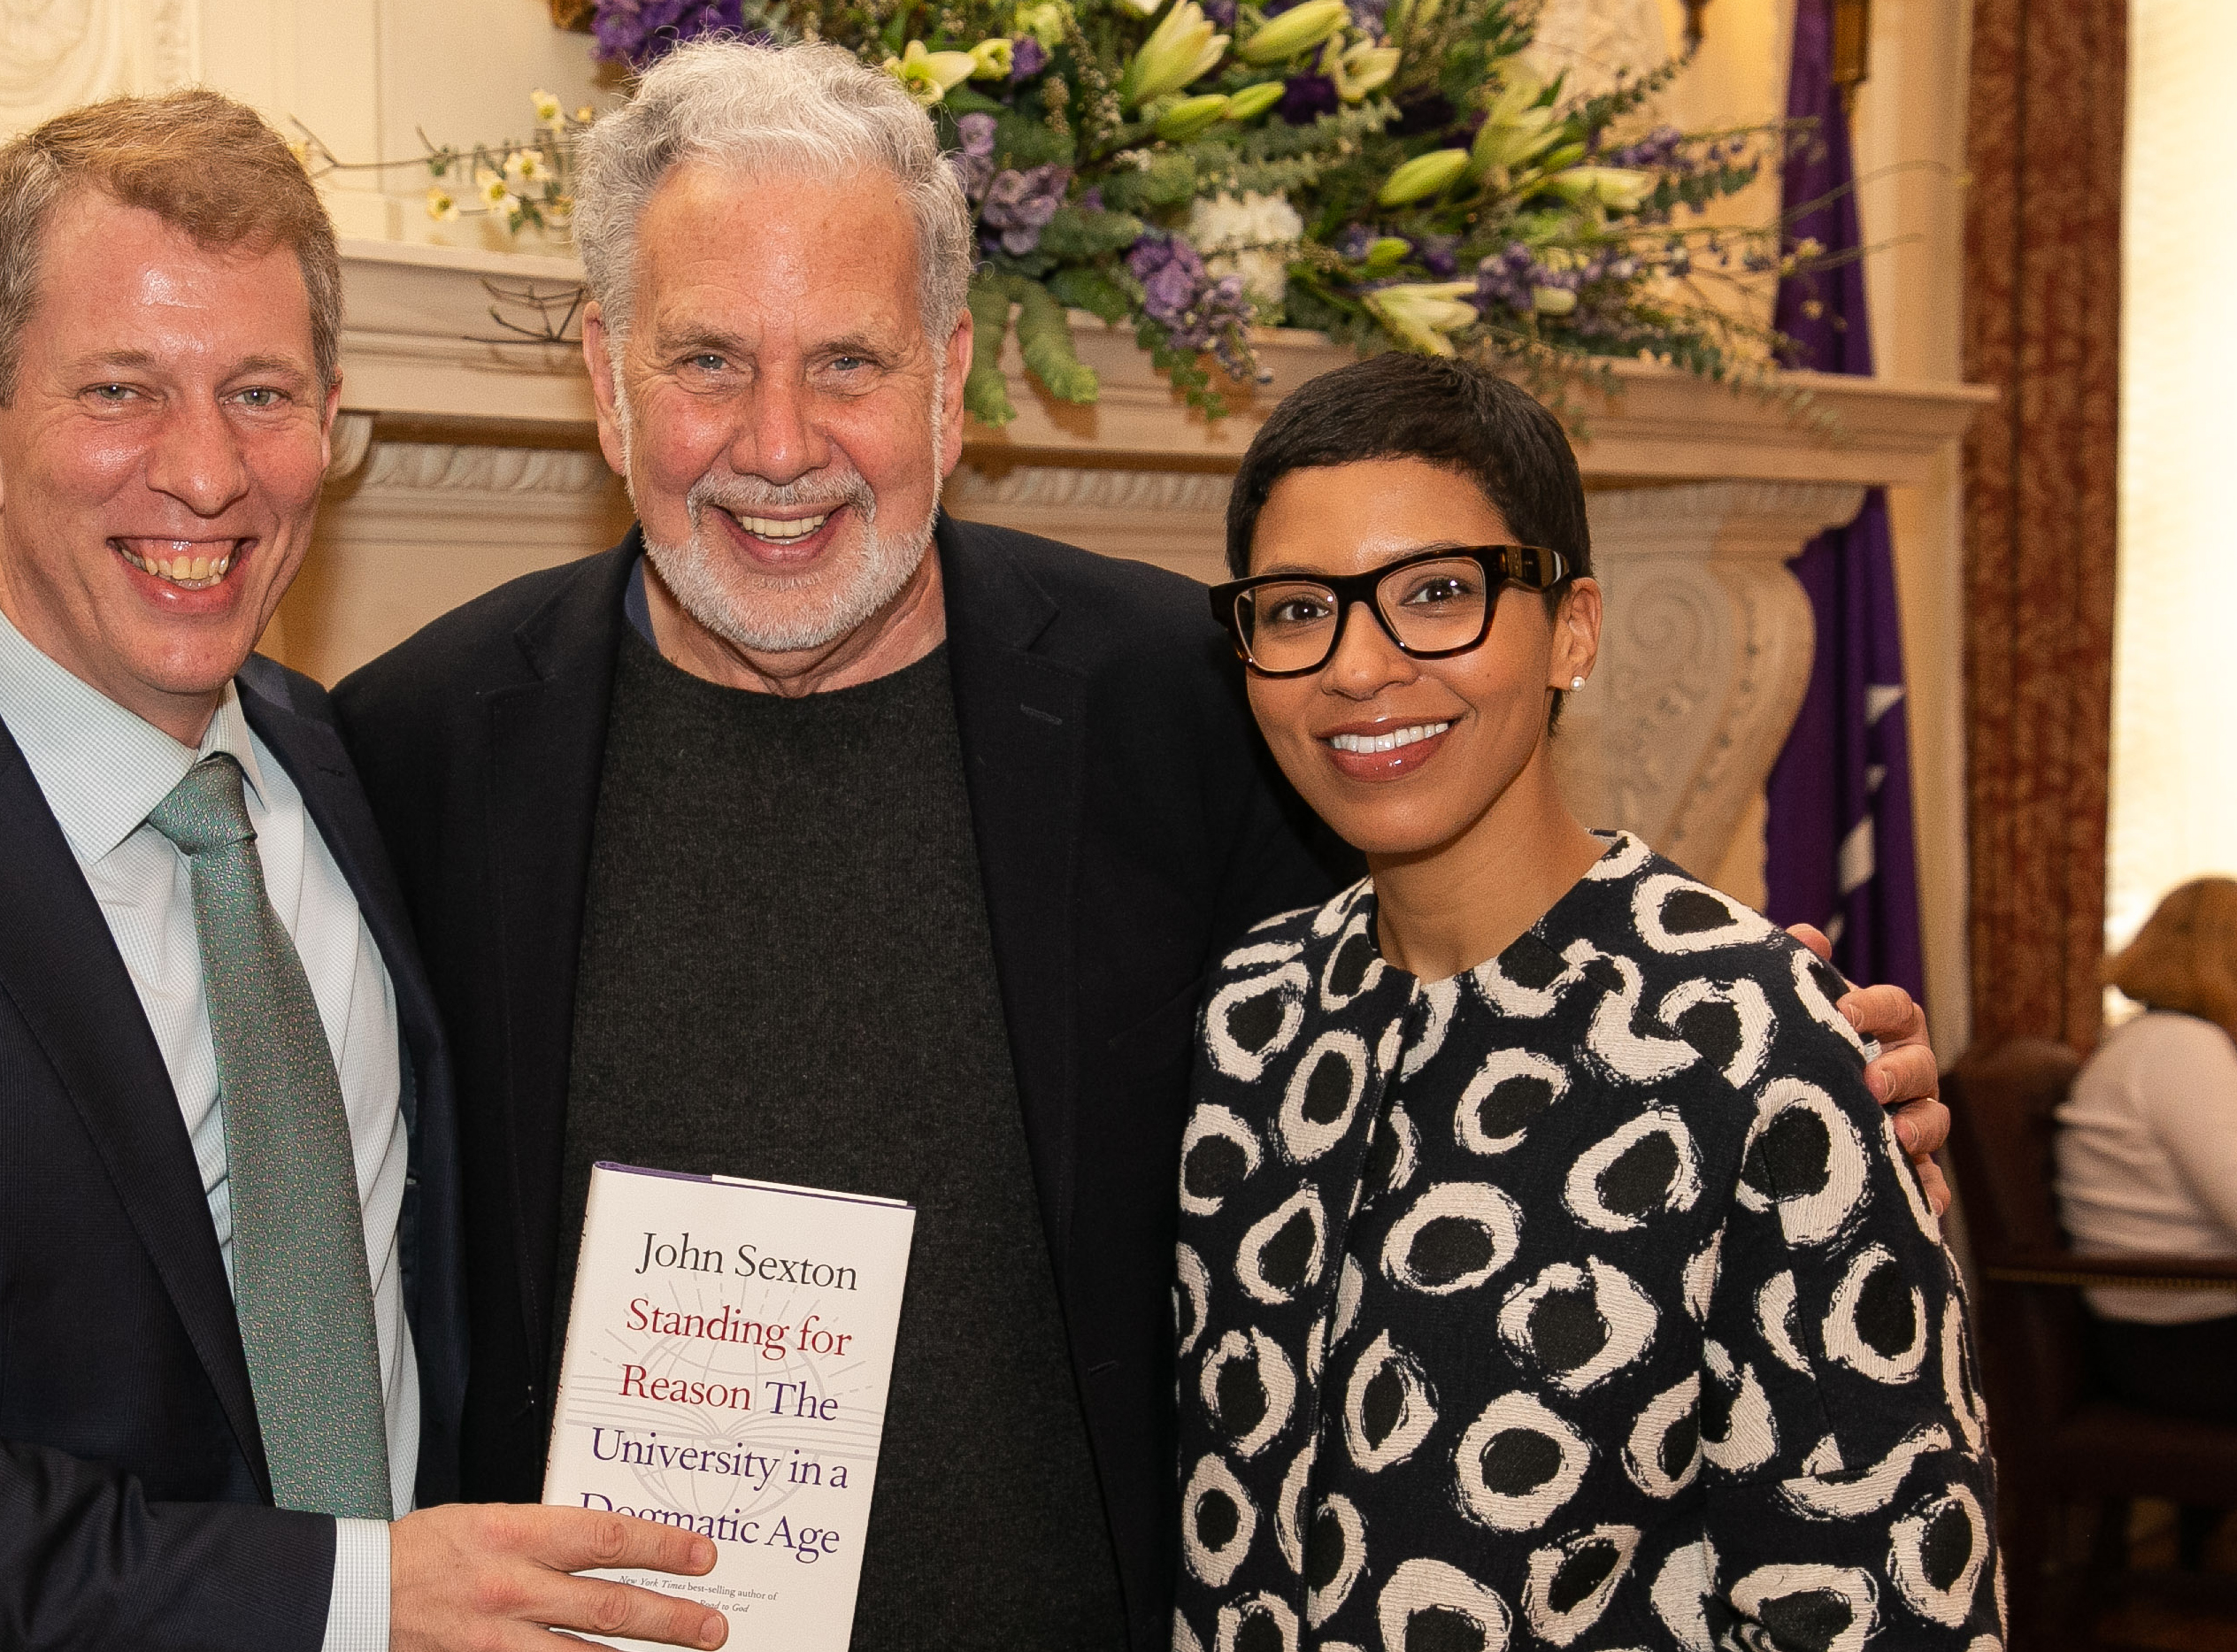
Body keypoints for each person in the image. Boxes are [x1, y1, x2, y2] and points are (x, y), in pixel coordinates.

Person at [333, 37, 1952, 1648]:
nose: (776, 443)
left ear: (949, 382)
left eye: (846, 362)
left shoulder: (1193, 698)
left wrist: (1779, 1058)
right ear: (607, 390)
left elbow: (1466, 981)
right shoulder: (420, 743)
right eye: (705, 363)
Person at [0, 90, 725, 1652]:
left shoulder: (355, 775)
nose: (203, 473)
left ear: (332, 416)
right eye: (121, 390)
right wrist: (357, 1599)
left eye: (261, 391)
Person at [1173, 353, 1998, 1649]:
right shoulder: (1249, 1011)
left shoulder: (1758, 1040)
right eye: (1295, 610)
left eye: (1438, 593)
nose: (1359, 665)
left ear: (1573, 626)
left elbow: (1888, 1590)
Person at [2057, 875, 2237, 1425]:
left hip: (2204, 1329)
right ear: (2225, 969)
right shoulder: (2182, 1051)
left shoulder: (2170, 1044)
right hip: (2197, 1346)